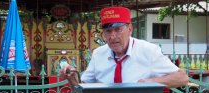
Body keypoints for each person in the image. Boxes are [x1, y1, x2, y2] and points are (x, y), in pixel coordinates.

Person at [60, 6, 189, 88]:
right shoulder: (98, 54)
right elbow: (83, 87)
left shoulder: (148, 51)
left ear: (130, 29)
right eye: (108, 31)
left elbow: (182, 77)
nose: (112, 36)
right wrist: (72, 78)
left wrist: (151, 82)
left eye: (118, 30)